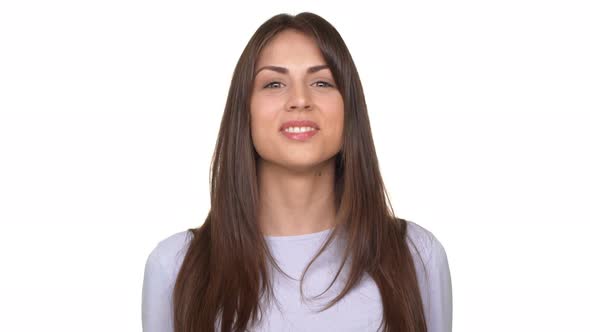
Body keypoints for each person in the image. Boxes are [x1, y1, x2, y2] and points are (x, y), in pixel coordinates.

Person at [142, 12, 452, 332]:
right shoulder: (174, 267)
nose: (300, 100)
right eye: (274, 83)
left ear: (349, 108)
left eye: (322, 82)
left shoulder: (417, 256)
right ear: (244, 110)